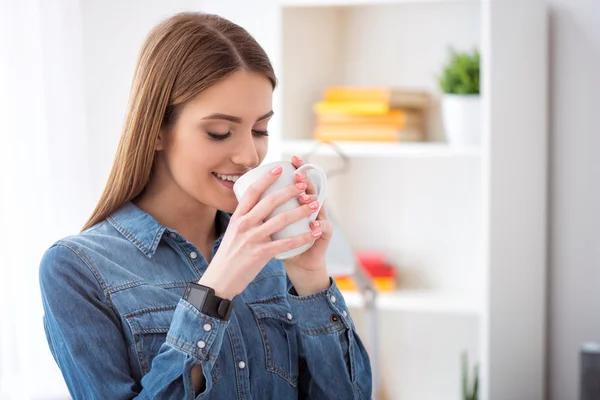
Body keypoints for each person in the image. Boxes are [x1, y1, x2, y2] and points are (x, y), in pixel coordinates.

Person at [39, 12, 372, 400]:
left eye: (260, 130)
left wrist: (311, 280)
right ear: (157, 130)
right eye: (219, 132)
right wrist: (215, 292)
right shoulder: (76, 270)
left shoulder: (273, 253)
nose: (250, 155)